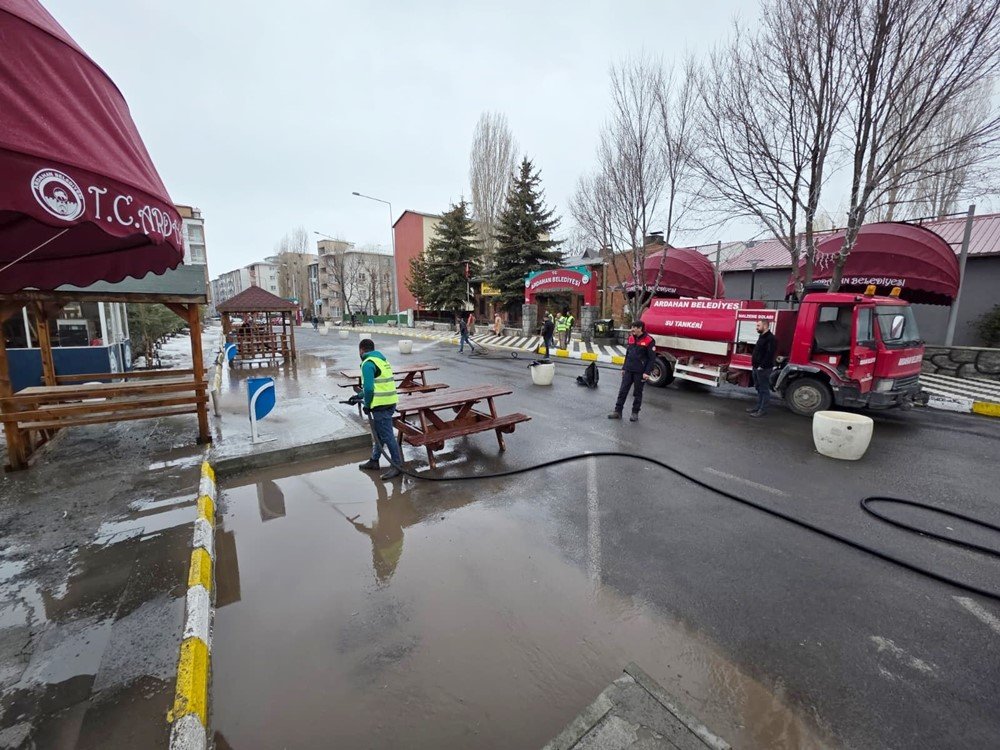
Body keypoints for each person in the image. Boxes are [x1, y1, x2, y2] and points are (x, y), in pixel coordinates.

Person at [356, 339, 405, 480]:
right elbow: (376, 385)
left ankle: (397, 465)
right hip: (390, 402)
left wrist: (366, 404)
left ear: (361, 350)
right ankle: (374, 460)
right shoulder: (382, 361)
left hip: (380, 406)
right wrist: (358, 396)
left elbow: (370, 389)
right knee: (379, 433)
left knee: (387, 436)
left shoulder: (367, 364)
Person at [608, 320, 657, 422]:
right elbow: (628, 355)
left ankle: (635, 413)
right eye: (632, 327)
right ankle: (618, 411)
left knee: (637, 393)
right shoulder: (631, 338)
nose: (632, 329)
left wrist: (647, 372)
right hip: (629, 370)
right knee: (623, 391)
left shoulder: (649, 340)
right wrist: (624, 368)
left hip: (640, 372)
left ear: (640, 328)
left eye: (635, 327)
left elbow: (652, 359)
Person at [748, 319, 777, 418]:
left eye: (758, 326)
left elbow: (770, 354)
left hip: (763, 369)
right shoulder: (761, 336)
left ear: (765, 326)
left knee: (764, 389)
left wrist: (762, 366)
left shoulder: (771, 338)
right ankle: (758, 406)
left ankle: (762, 410)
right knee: (759, 388)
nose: (756, 328)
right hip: (756, 367)